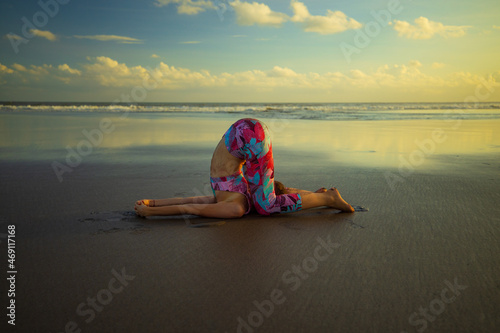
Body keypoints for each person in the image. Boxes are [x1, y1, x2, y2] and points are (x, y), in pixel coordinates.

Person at [135, 118, 354, 218]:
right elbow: (192, 205)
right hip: (245, 138)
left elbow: (190, 205)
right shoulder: (233, 202)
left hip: (243, 136)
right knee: (267, 204)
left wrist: (153, 207)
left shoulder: (233, 204)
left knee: (267, 202)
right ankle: (326, 198)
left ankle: (324, 198)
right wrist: (150, 208)